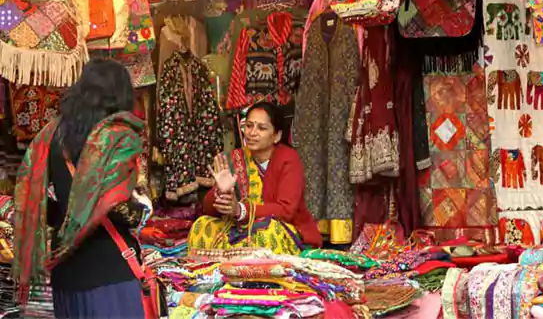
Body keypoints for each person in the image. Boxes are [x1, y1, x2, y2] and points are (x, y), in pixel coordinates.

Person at [11, 59, 154, 318]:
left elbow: (42, 205)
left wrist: (71, 217)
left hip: (67, 275)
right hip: (110, 272)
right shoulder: (117, 137)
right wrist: (144, 207)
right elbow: (122, 210)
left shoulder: (51, 137)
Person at [188, 102, 322, 255]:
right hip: (239, 227)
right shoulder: (234, 159)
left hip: (281, 228)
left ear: (277, 135)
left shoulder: (288, 159)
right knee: (202, 225)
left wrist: (241, 210)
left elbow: (285, 210)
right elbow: (207, 209)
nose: (252, 133)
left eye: (261, 128)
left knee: (268, 233)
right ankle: (219, 269)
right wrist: (220, 192)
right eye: (249, 125)